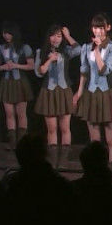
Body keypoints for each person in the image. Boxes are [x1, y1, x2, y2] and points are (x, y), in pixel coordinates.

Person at [74, 13, 112, 164]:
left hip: (108, 93)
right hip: (91, 93)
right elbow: (84, 72)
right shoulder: (85, 48)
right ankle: (96, 168)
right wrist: (79, 93)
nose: (98, 31)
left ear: (108, 28)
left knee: (111, 139)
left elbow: (104, 70)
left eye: (101, 28)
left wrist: (96, 50)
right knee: (94, 140)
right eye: (95, 28)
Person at [34, 25, 81, 166]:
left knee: (65, 128)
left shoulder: (66, 51)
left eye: (59, 36)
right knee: (52, 129)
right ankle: (53, 161)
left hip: (64, 91)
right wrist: (49, 60)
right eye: (53, 35)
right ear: (48, 37)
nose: (56, 39)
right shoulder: (41, 52)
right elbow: (39, 72)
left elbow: (78, 49)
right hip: (48, 91)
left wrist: (67, 35)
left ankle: (63, 161)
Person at [0, 21, 34, 150]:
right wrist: (4, 67)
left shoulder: (24, 47)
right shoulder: (1, 48)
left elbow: (31, 66)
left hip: (20, 82)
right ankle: (12, 142)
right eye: (4, 33)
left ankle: (22, 142)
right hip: (6, 83)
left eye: (9, 33)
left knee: (21, 113)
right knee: (9, 113)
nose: (6, 36)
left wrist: (16, 65)